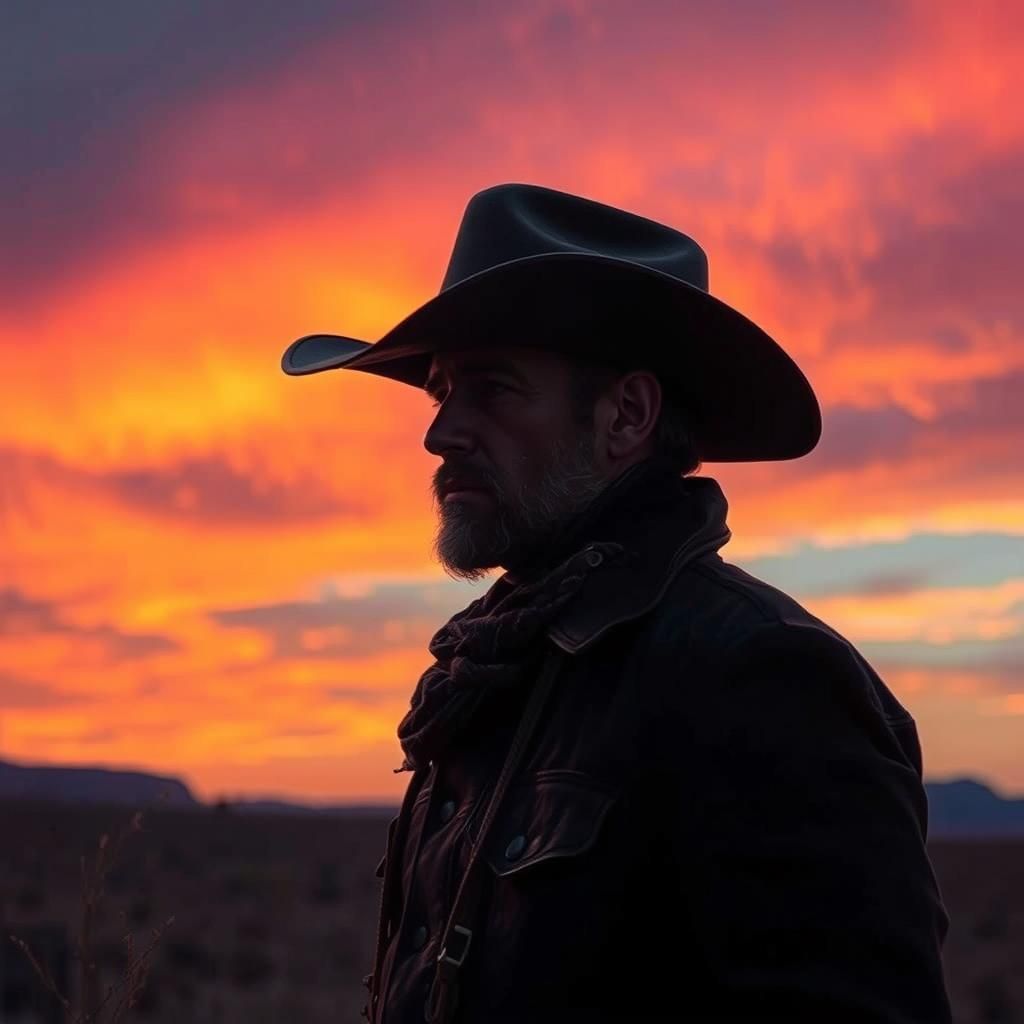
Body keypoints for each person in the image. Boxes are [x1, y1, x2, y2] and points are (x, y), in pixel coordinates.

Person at [281, 183, 952, 1023]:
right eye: (441, 391)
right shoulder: (492, 673)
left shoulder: (759, 675)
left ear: (626, 416)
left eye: (490, 388)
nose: (439, 432)